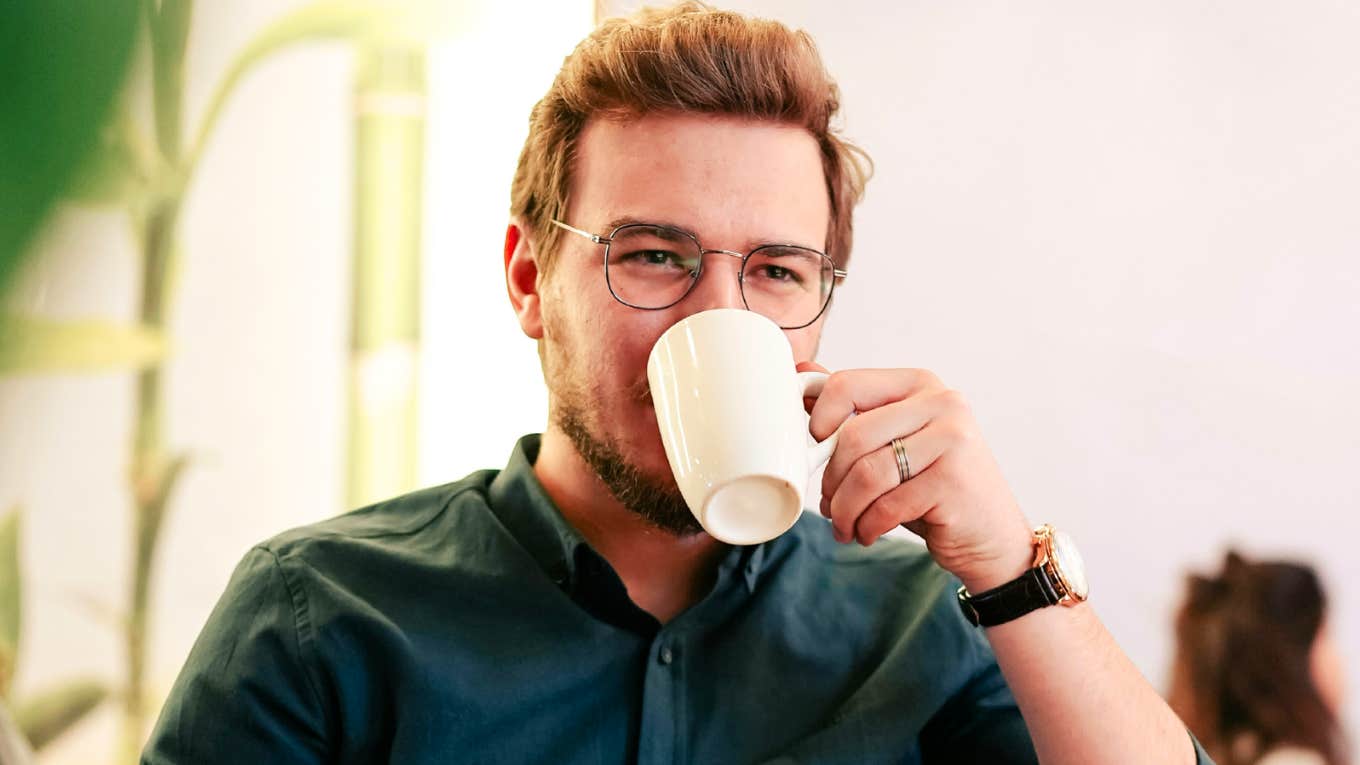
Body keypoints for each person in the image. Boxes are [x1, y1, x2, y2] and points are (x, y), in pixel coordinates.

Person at [143, 4, 1214, 763]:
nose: (717, 317)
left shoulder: (919, 623)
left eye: (777, 271)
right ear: (530, 280)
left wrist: (1009, 568)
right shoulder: (321, 620)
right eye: (654, 256)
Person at [1169, 551, 1349, 765]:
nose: (1339, 660)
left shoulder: (1207, 750)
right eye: (1325, 636)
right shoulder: (1295, 760)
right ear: (1291, 661)